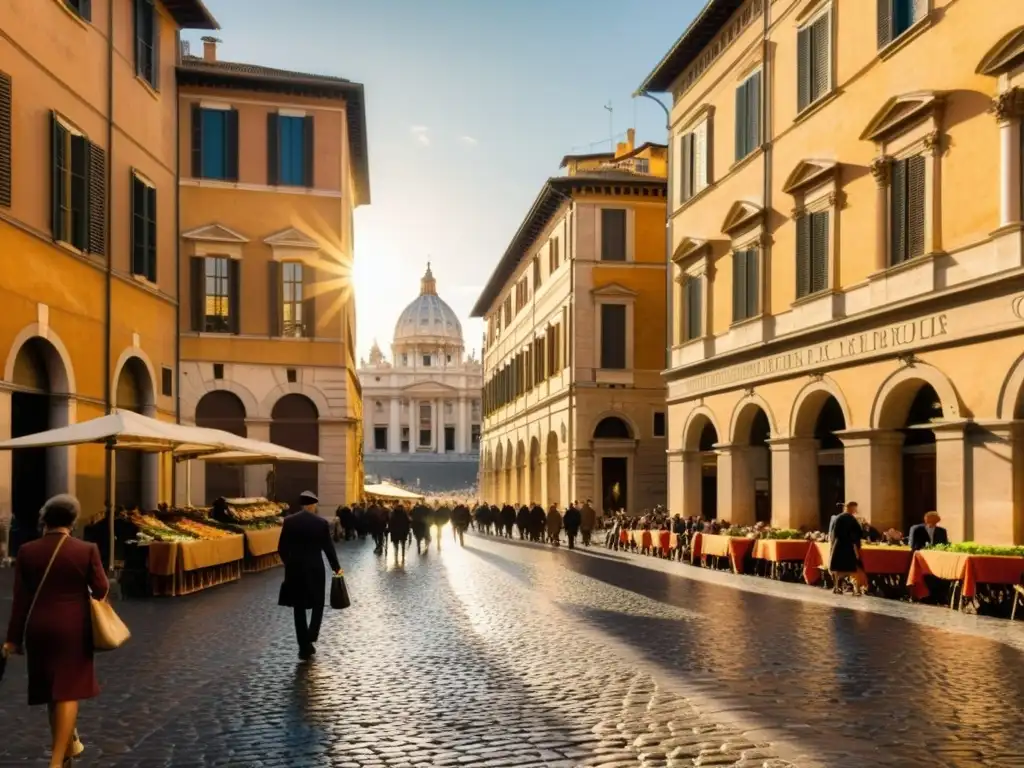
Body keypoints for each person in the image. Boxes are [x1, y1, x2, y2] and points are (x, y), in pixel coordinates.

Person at [4, 494, 108, 768]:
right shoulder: (86, 550)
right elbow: (101, 589)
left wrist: (12, 639)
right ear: (73, 522)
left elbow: (20, 599)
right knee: (67, 691)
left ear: (44, 520)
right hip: (73, 627)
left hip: (38, 627)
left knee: (52, 690)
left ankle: (67, 747)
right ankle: (56, 759)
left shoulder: (27, 551)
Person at [277, 491, 342, 661]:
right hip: (315, 568)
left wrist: (289, 563)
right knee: (318, 603)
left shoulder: (289, 522)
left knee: (298, 607)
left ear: (301, 505)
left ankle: (302, 645)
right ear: (313, 505)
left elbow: (281, 548)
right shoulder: (321, 523)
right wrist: (336, 568)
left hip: (295, 569)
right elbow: (328, 548)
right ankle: (311, 634)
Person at [828, 501, 868, 596]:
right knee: (852, 568)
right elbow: (858, 534)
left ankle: (837, 587)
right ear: (851, 508)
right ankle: (856, 589)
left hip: (838, 545)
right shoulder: (851, 519)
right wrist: (856, 546)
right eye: (855, 508)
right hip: (848, 546)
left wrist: (832, 545)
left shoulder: (837, 518)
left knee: (838, 568)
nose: (856, 510)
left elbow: (833, 533)